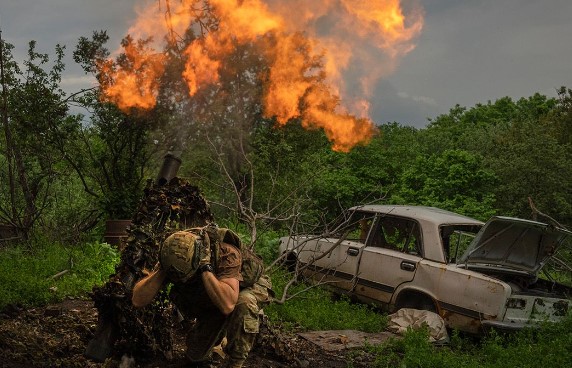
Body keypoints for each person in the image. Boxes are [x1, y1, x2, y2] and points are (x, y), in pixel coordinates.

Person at [132, 225, 272, 368]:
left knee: (244, 303)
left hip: (243, 287)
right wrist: (162, 271)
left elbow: (228, 304)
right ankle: (221, 337)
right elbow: (137, 300)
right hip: (215, 296)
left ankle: (236, 362)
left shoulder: (225, 252)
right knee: (195, 356)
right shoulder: (173, 251)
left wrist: (205, 267)